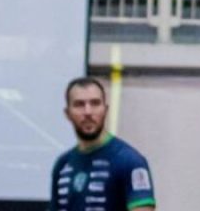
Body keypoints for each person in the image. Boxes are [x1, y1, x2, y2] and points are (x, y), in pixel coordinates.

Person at [51, 77, 155, 211]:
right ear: (67, 113)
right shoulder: (62, 164)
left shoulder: (130, 161)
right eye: (79, 104)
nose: (88, 112)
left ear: (105, 109)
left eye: (95, 103)